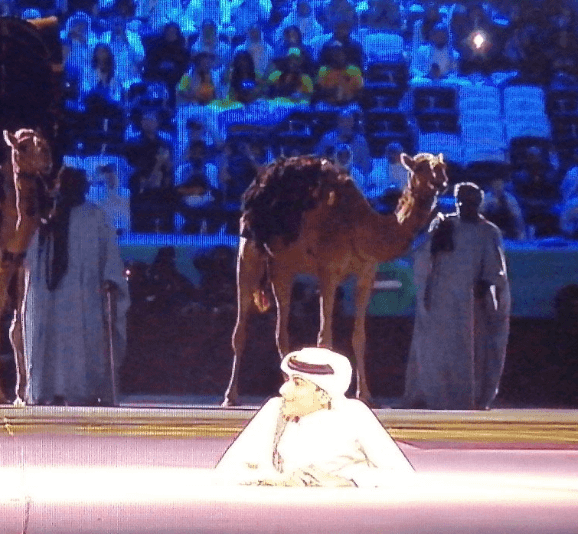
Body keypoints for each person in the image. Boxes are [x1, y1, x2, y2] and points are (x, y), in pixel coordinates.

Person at [214, 347, 415, 487]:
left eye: (298, 383)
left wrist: (345, 481)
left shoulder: (354, 414)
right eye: (287, 380)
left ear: (323, 393)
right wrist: (274, 478)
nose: (284, 390)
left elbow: (402, 476)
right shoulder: (275, 410)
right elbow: (226, 471)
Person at [24, 169, 130, 406]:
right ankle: (48, 389)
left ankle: (84, 391)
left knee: (84, 345)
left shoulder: (96, 217)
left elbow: (110, 255)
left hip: (86, 297)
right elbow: (32, 259)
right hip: (50, 299)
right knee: (51, 342)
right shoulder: (48, 218)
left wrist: (111, 279)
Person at [403, 182, 510, 410]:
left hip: (472, 303)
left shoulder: (488, 231)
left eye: (470, 201)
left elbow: (495, 271)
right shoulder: (445, 224)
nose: (465, 205)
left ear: (479, 202)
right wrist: (436, 241)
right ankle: (434, 396)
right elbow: (422, 256)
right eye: (461, 200)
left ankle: (470, 397)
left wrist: (485, 290)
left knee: (472, 352)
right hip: (442, 300)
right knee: (438, 350)